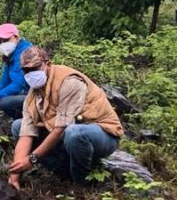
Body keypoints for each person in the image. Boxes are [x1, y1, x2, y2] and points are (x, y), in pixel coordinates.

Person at [7, 47, 123, 189]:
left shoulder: (69, 82)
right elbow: (26, 134)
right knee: (17, 126)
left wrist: (32, 159)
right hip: (65, 135)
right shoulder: (32, 96)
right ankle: (64, 172)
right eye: (26, 70)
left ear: (48, 64)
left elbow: (61, 129)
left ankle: (81, 184)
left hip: (102, 133)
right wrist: (15, 175)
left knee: (74, 133)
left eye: (35, 68)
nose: (31, 73)